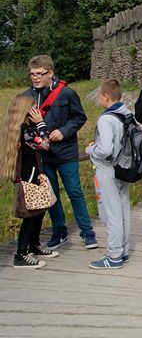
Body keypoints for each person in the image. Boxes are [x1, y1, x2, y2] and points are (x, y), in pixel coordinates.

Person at [26, 55, 97, 249]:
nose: (35, 78)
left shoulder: (66, 93)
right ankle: (59, 232)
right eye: (32, 74)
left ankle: (87, 232)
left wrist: (63, 131)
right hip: (43, 154)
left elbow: (79, 117)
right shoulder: (27, 95)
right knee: (51, 194)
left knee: (74, 192)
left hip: (65, 152)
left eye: (39, 74)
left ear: (50, 73)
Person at [1, 94, 56, 268]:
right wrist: (41, 123)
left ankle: (33, 245)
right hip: (29, 177)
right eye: (33, 108)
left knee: (39, 211)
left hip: (30, 175)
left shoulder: (23, 129)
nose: (37, 111)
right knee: (31, 215)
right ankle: (21, 255)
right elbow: (45, 144)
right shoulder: (26, 131)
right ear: (25, 111)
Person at [86, 79, 133, 269]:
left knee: (111, 213)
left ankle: (113, 255)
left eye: (100, 96)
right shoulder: (126, 113)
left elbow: (105, 149)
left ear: (106, 97)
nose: (99, 99)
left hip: (108, 170)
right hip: (124, 168)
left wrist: (91, 149)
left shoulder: (106, 119)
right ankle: (123, 250)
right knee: (123, 210)